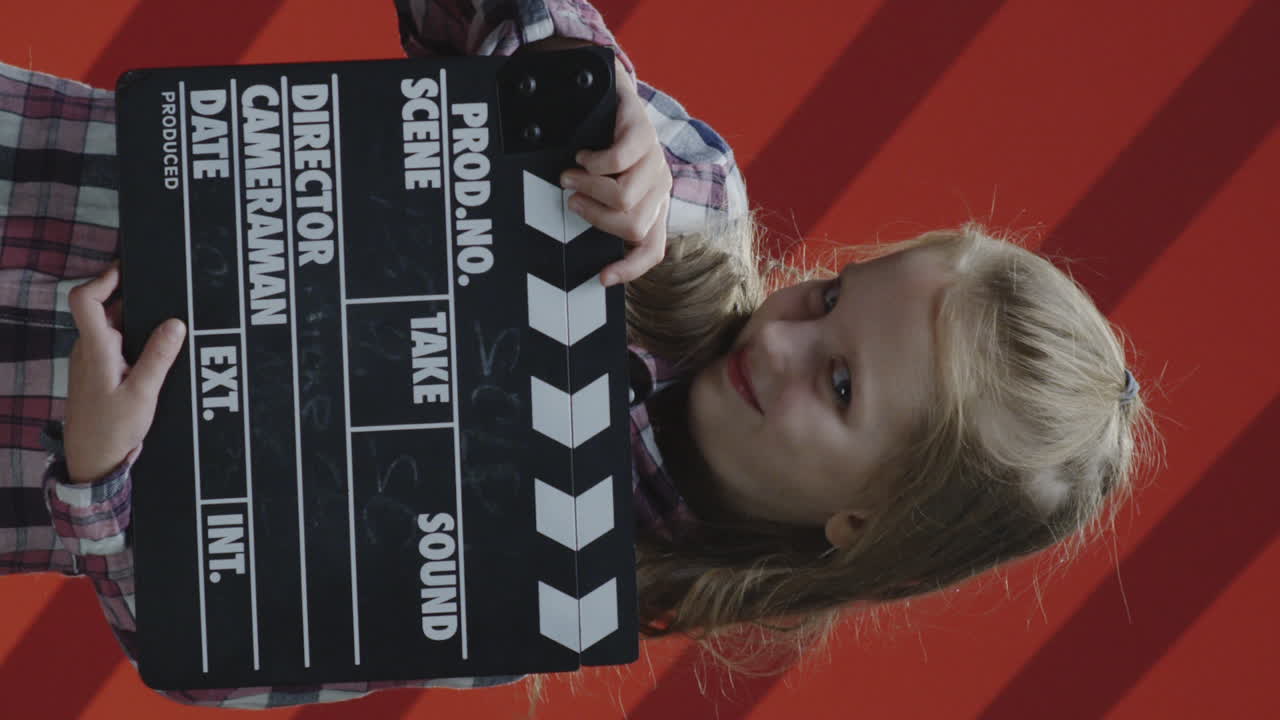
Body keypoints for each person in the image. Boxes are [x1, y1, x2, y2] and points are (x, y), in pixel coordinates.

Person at [0, 0, 1161, 712]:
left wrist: (99, 471)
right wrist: (574, 73)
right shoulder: (687, 203)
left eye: (842, 386)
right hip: (31, 168)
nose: (789, 338)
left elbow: (206, 650)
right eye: (831, 295)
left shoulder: (551, 587)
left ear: (860, 525)